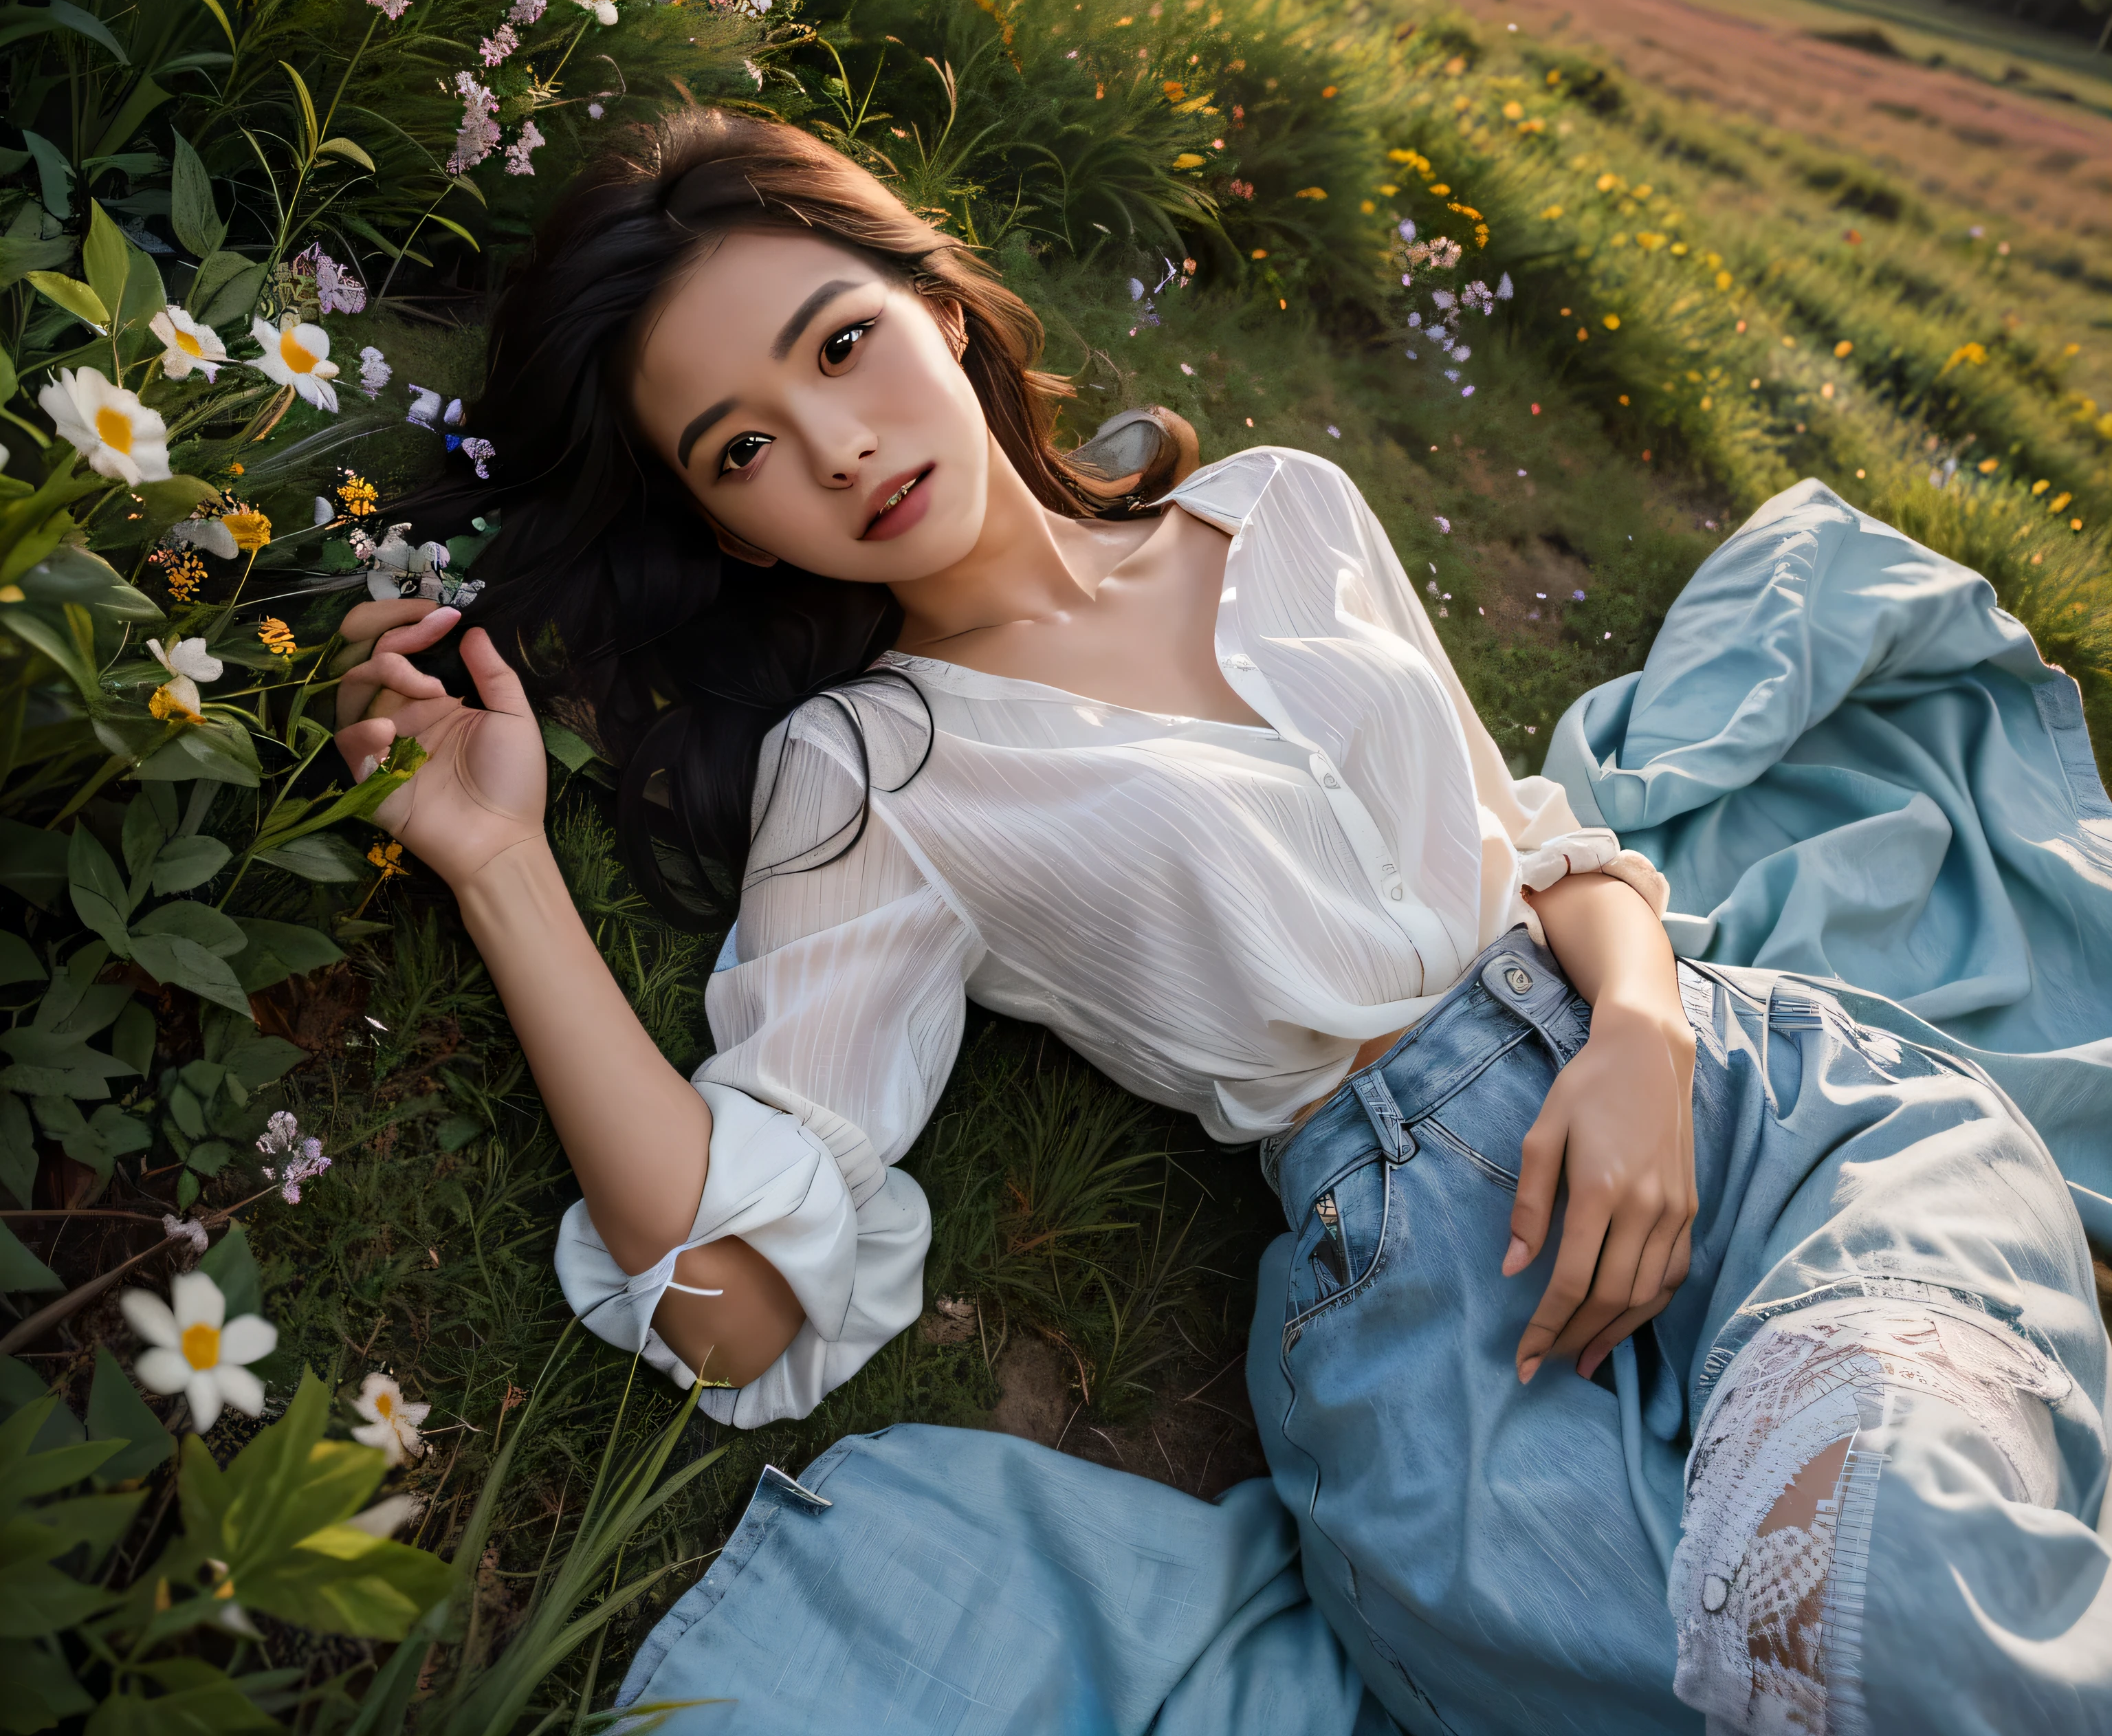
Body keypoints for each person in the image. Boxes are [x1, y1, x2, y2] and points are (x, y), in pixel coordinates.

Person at [332, 109, 2112, 1734]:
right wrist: (500, 865)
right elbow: (727, 1301)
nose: (839, 444)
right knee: (1817, 1673)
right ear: (734, 532)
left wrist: (1644, 1034)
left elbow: (1540, 842)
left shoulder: (1286, 509)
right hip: (1424, 1297)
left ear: (935, 301)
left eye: (843, 343)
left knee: (1919, 1576)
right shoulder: (872, 772)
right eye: (744, 449)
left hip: (1749, 1099)